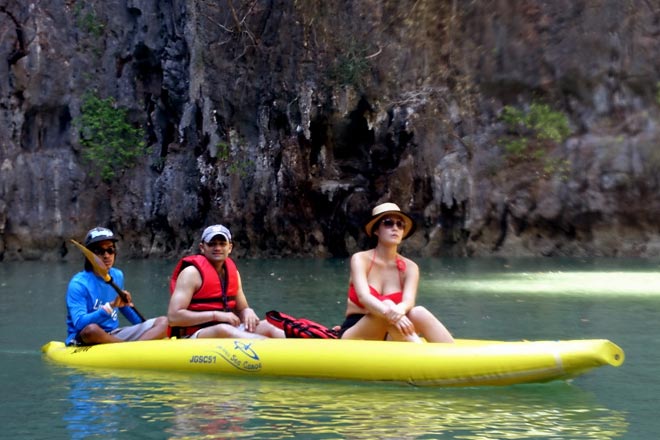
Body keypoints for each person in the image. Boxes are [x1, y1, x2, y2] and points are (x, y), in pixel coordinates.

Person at [339, 202, 455, 343]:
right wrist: (391, 311)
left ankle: (457, 359)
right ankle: (421, 352)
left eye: (400, 225)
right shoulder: (360, 259)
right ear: (376, 230)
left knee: (419, 312)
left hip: (390, 332)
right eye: (388, 223)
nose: (395, 228)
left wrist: (398, 311)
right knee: (388, 303)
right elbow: (364, 297)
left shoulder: (411, 267)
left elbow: (408, 302)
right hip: (357, 332)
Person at [167, 224, 284, 339]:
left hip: (229, 330)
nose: (217, 248)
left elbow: (242, 309)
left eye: (222, 244)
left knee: (268, 326)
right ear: (202, 248)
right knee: (223, 329)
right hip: (195, 334)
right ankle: (269, 349)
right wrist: (215, 315)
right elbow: (173, 318)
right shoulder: (191, 274)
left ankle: (295, 351)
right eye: (212, 244)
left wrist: (247, 311)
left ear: (230, 248)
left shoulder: (233, 273)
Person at [65, 227, 168, 345]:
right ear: (90, 255)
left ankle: (133, 349)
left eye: (110, 250)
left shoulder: (117, 275)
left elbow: (124, 308)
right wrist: (110, 307)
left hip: (113, 334)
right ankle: (128, 348)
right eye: (99, 251)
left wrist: (145, 326)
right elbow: (80, 323)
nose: (106, 255)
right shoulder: (78, 284)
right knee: (91, 330)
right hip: (87, 337)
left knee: (164, 322)